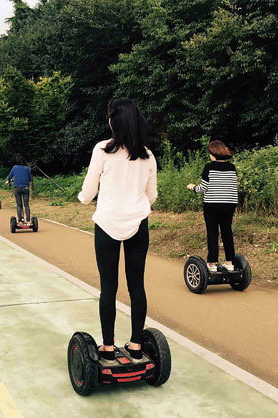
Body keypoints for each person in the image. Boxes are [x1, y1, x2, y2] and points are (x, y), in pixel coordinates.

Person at [78, 98, 157, 361]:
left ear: (113, 121)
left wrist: (81, 199)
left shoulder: (102, 149)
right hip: (138, 224)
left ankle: (108, 347)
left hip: (107, 224)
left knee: (108, 287)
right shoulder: (147, 155)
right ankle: (136, 345)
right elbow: (152, 196)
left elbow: (90, 190)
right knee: (137, 286)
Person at [187, 140, 238, 272]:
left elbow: (204, 187)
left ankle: (213, 264)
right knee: (227, 232)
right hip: (229, 205)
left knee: (213, 233)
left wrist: (193, 187)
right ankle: (229, 263)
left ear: (213, 154)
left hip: (213, 205)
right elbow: (232, 187)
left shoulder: (209, 167)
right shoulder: (232, 167)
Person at [6, 156, 32, 224]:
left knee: (19, 204)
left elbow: (9, 177)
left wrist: (8, 180)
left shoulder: (15, 167)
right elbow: (30, 179)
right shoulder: (27, 168)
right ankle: (28, 220)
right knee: (26, 204)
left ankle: (20, 220)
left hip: (17, 187)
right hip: (26, 187)